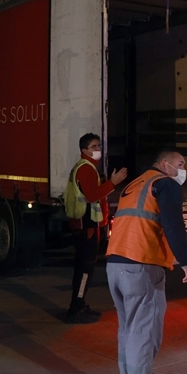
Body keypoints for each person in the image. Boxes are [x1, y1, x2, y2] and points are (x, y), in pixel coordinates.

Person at [106, 149, 187, 374]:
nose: (183, 169)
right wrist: (185, 261)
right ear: (165, 165)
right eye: (180, 164)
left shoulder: (135, 184)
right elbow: (173, 224)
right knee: (143, 338)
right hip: (141, 268)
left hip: (115, 266)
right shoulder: (165, 184)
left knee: (128, 334)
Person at [64, 133, 127, 324]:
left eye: (99, 145)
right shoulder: (86, 169)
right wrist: (112, 183)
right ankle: (76, 309)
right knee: (85, 269)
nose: (98, 149)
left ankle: (79, 304)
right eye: (94, 146)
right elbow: (92, 196)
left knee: (84, 268)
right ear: (84, 150)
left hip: (87, 225)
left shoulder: (86, 167)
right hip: (87, 227)